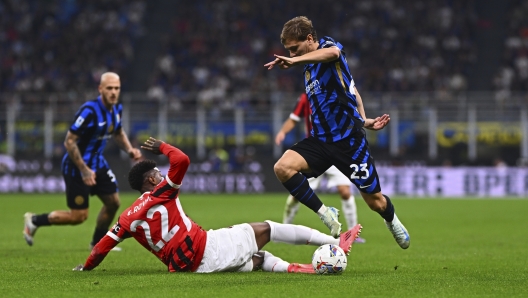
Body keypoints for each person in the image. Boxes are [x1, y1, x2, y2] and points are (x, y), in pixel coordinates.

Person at [72, 137, 362, 273]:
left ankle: (298, 269)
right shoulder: (162, 191)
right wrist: (162, 147)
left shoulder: (126, 218)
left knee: (257, 259)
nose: (163, 174)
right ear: (150, 179)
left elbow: (101, 248)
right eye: (158, 172)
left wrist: (85, 269)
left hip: (186, 265)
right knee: (267, 228)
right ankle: (336, 239)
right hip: (203, 250)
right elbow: (182, 160)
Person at [264, 16, 410, 248]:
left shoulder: (328, 48)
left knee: (376, 203)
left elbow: (334, 56)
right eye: (289, 51)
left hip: (349, 142)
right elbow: (351, 89)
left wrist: (361, 123)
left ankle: (392, 220)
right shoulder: (308, 67)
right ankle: (324, 212)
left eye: (294, 49)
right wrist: (364, 119)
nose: (292, 55)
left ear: (310, 39)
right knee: (282, 167)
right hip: (320, 141)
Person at [23, 72, 142, 250]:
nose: (113, 92)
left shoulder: (117, 109)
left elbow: (117, 131)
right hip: (76, 167)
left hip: (98, 164)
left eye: (116, 88)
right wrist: (84, 169)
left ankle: (97, 243)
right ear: (100, 89)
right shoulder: (89, 111)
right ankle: (34, 220)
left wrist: (129, 149)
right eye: (109, 88)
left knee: (113, 202)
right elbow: (69, 141)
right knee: (78, 217)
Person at [276, 93, 365, 243]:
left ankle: (353, 234)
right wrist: (283, 132)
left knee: (345, 191)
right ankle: (285, 228)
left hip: (336, 149)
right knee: (296, 194)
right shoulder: (305, 98)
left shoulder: (336, 93)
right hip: (315, 152)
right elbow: (294, 119)